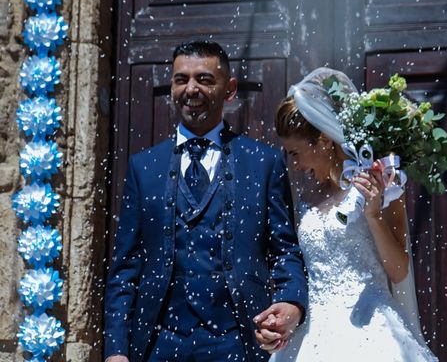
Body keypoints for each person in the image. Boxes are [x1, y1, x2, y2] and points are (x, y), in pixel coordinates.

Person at [104, 41, 308, 362]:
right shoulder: (143, 168)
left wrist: (292, 304)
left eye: (204, 79)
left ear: (229, 90)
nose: (191, 89)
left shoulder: (263, 162)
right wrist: (116, 350)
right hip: (160, 343)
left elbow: (285, 252)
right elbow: (125, 269)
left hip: (239, 341)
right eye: (181, 79)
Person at [259, 68, 438, 361]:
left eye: (296, 153)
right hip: (312, 336)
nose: (295, 165)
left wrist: (372, 215)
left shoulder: (381, 184)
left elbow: (399, 271)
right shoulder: (306, 199)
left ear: (324, 139)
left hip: (372, 331)